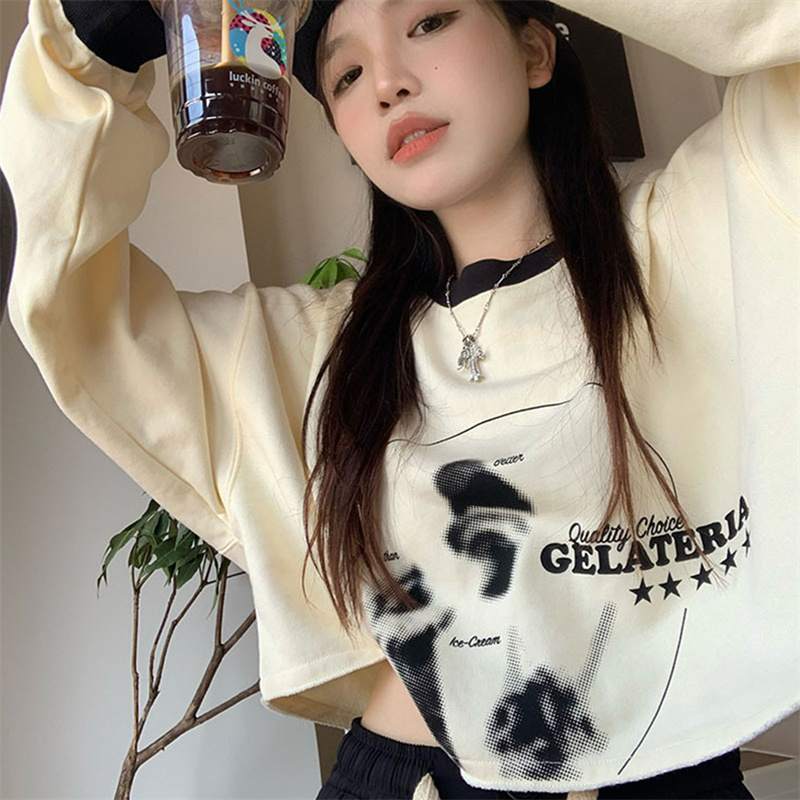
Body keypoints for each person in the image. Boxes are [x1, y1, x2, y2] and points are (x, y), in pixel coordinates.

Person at [1, 0, 797, 798]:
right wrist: (97, 36)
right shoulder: (316, 354)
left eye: (429, 22)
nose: (386, 83)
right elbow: (75, 308)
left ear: (534, 50)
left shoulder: (708, 225)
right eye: (346, 75)